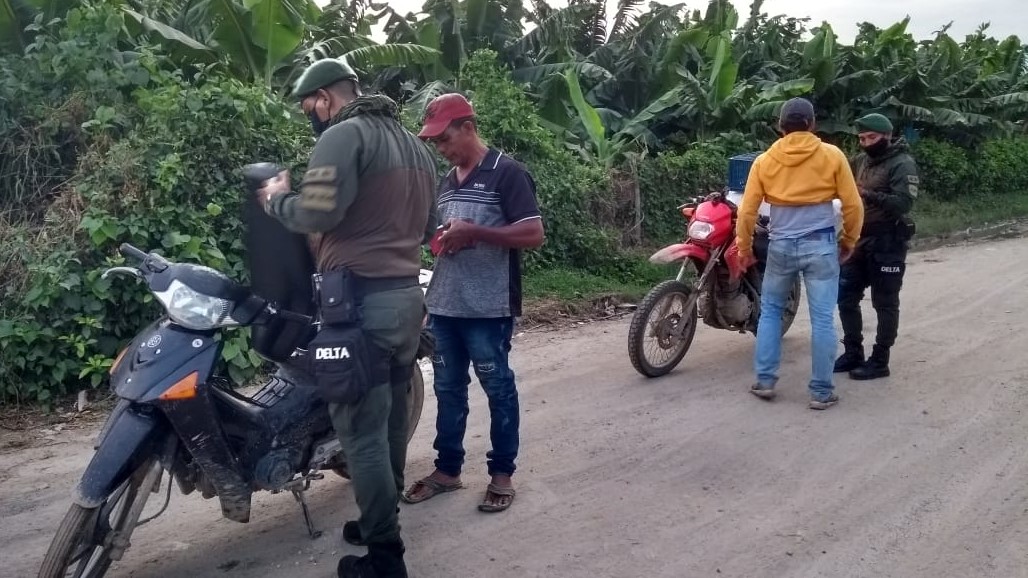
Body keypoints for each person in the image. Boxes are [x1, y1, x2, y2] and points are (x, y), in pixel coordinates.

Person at [256, 58, 438, 578]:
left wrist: (276, 200)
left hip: (359, 306)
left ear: (325, 98)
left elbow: (316, 213)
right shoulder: (416, 148)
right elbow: (431, 227)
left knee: (359, 430)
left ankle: (385, 558)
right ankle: (380, 519)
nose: (308, 115)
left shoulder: (343, 135)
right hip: (406, 300)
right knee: (389, 424)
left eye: (308, 105)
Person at [400, 93, 545, 512]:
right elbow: (443, 232)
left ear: (467, 126)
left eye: (445, 139)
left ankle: (502, 473)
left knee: (497, 388)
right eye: (436, 144)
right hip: (445, 304)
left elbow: (534, 235)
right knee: (447, 388)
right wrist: (443, 240)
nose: (442, 149)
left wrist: (477, 233)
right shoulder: (447, 181)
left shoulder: (508, 173)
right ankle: (448, 470)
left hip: (488, 308)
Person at [735, 97, 864, 410]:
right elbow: (853, 205)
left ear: (781, 127)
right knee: (822, 319)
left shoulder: (764, 161)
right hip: (821, 245)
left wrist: (744, 248)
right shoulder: (832, 156)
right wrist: (849, 241)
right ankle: (821, 392)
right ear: (811, 125)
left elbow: (747, 210)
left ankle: (765, 381)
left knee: (770, 313)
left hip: (779, 246)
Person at [834, 113, 919, 380]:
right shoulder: (860, 161)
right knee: (846, 297)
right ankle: (852, 352)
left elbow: (903, 204)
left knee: (884, 302)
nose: (866, 142)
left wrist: (866, 194)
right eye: (861, 138)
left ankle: (880, 360)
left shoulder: (902, 164)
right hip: (858, 238)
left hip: (887, 242)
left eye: (872, 137)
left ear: (887, 136)